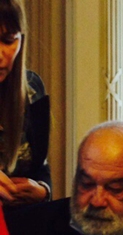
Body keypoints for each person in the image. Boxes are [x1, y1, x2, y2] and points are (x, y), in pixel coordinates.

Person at [0, 0, 51, 206]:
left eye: (8, 40)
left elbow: (41, 166)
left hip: (20, 220)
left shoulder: (33, 89)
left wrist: (43, 191)